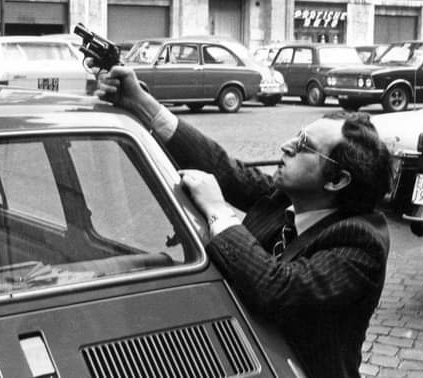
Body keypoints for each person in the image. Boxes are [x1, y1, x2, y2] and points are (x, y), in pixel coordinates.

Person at [95, 66, 393, 377]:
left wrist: (217, 210)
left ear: (337, 181)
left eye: (304, 146)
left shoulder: (361, 243)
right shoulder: (285, 197)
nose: (287, 145)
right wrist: (142, 102)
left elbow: (278, 289)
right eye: (299, 134)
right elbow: (223, 169)